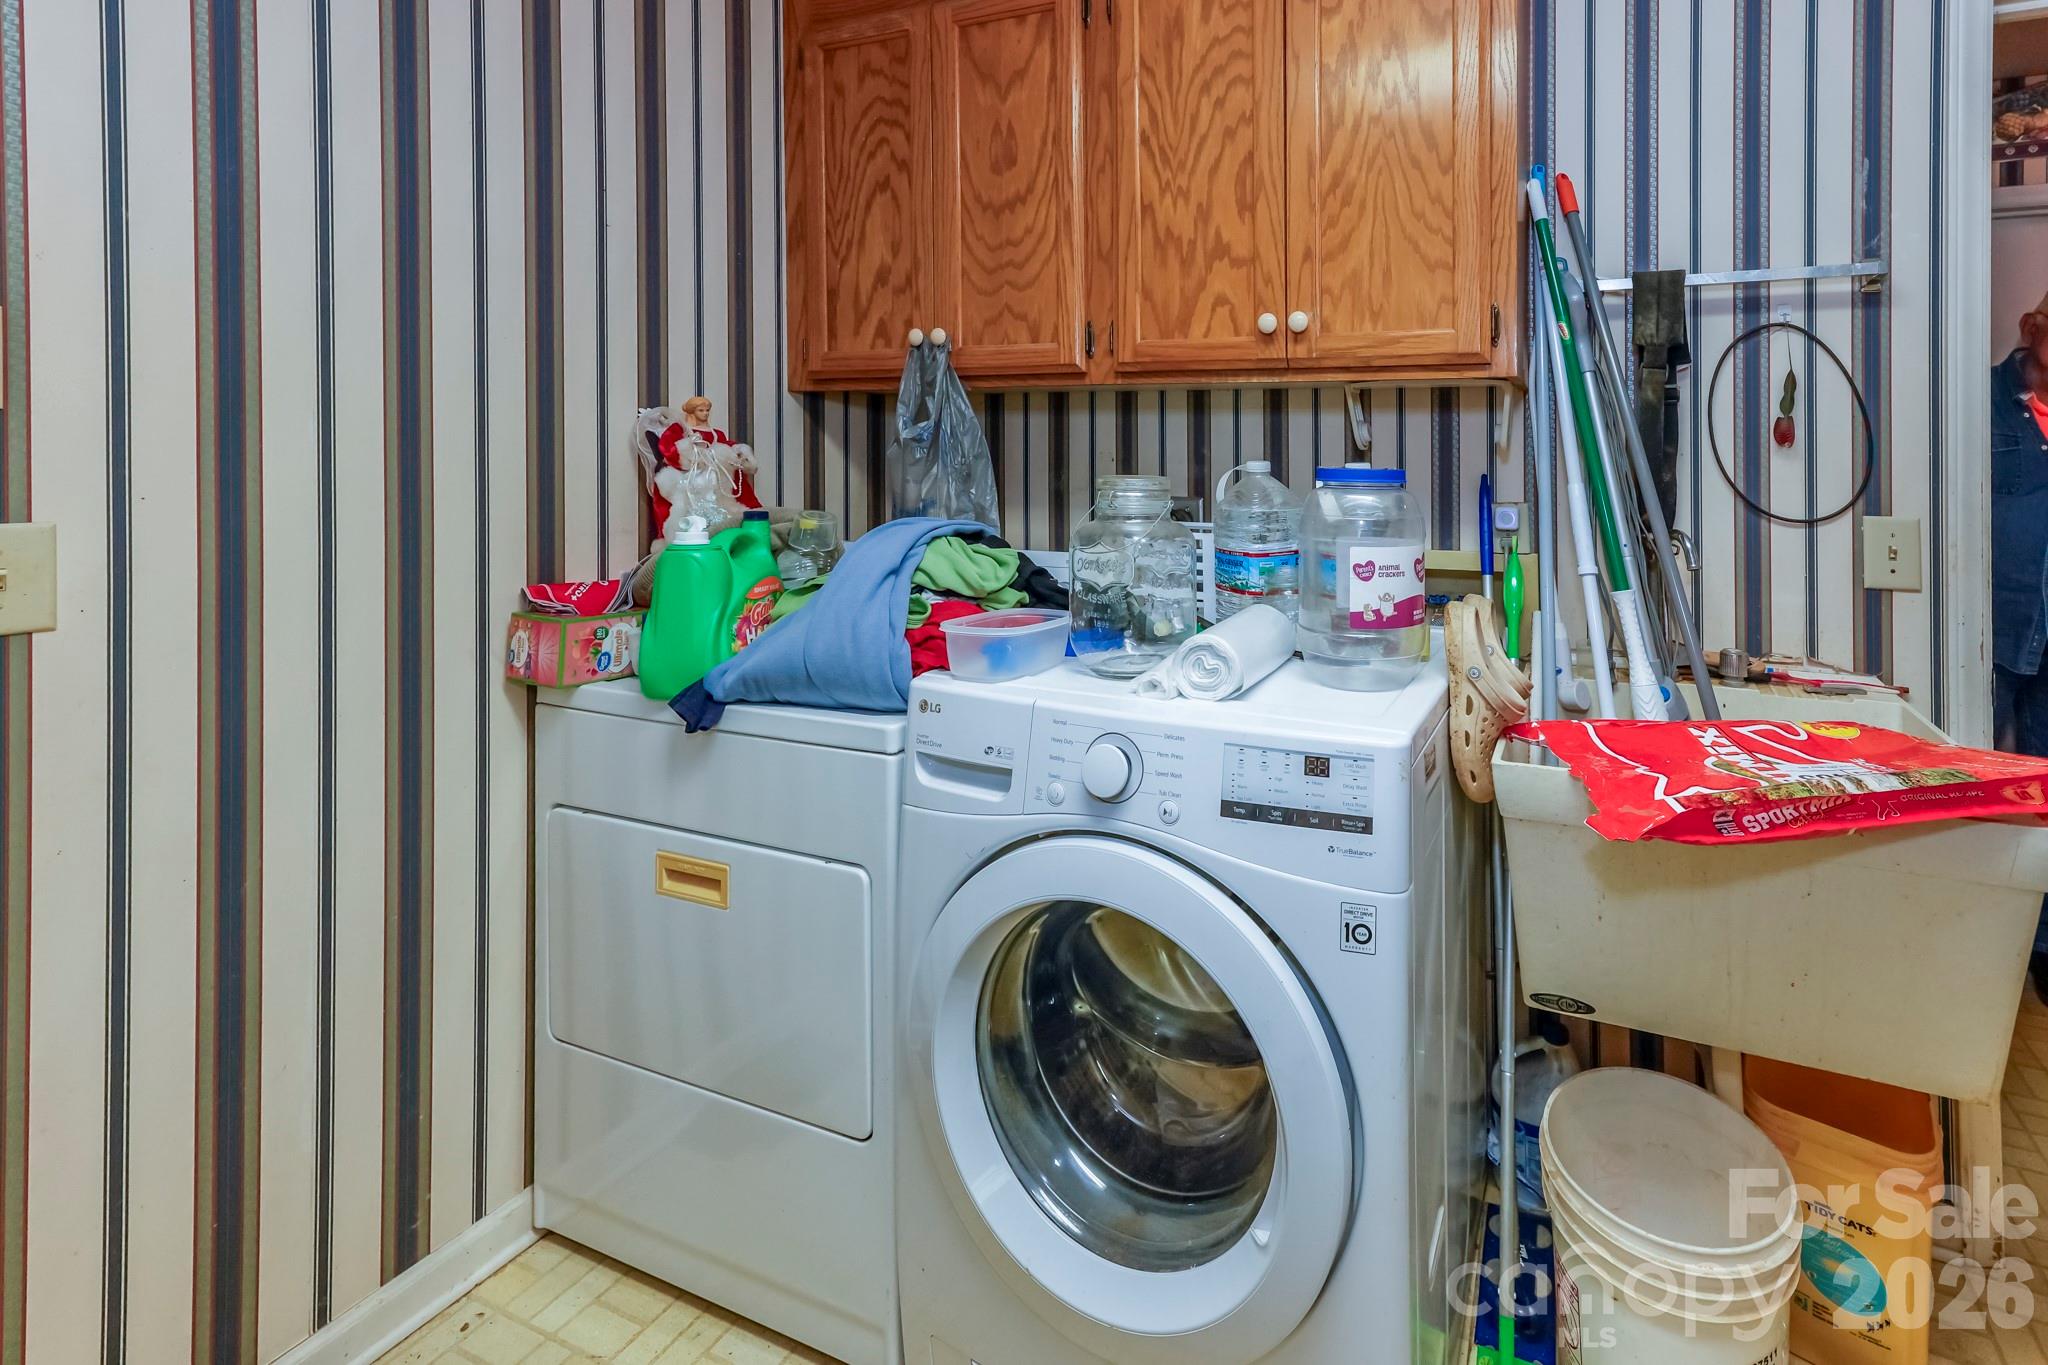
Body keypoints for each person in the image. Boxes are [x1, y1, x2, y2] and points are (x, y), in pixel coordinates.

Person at [1992, 303, 2048, 995]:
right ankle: (2002, 934)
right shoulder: (1988, 403)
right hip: (2001, 628)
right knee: (1991, 777)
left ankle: (2042, 944)